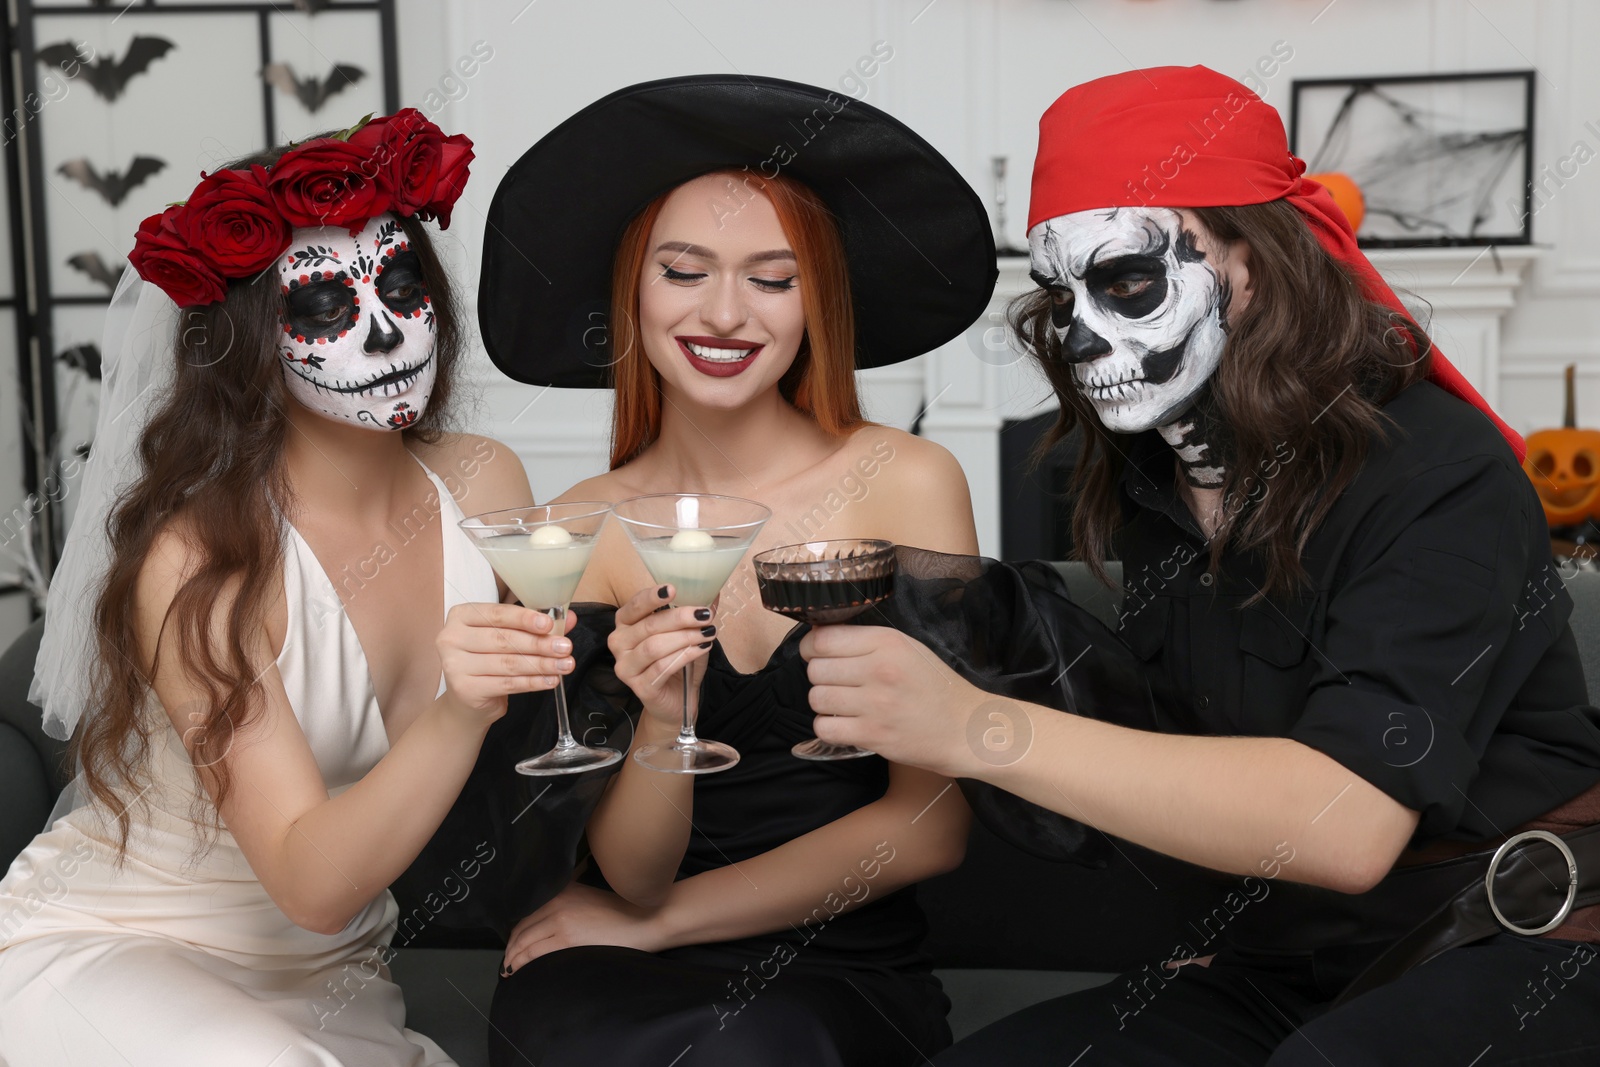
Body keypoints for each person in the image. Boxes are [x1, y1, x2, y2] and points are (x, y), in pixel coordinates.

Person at [798, 66, 1600, 1065]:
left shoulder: (1439, 470)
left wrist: (973, 725)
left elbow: (1344, 822)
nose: (1084, 334)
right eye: (1061, 291)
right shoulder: (1151, 482)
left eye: (1125, 279)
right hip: (1283, 961)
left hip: (1515, 940)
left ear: (1254, 260)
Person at [0, 112, 575, 1065]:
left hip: (332, 977)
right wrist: (461, 711)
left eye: (398, 284)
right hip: (118, 950)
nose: (384, 328)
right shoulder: (199, 557)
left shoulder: (485, 482)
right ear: (253, 343)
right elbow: (310, 880)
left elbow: (566, 677)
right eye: (321, 309)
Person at [473, 75, 999, 1066]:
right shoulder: (573, 526)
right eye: (683, 270)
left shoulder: (906, 479)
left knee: (748, 1043)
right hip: (617, 951)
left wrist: (663, 924)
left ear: (819, 300)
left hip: (839, 962)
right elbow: (629, 875)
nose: (724, 312)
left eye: (772, 276)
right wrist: (664, 718)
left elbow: (930, 825)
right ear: (632, 287)